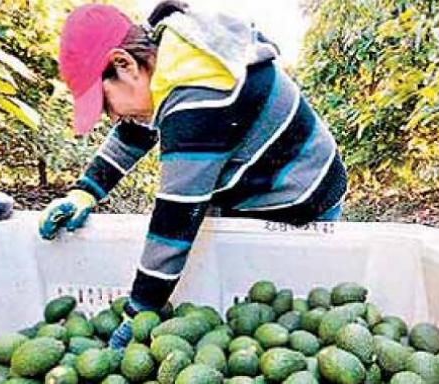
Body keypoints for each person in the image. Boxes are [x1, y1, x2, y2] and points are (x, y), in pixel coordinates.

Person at [40, 1, 347, 350]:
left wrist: (137, 314)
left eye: (106, 103)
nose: (111, 117)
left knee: (281, 315)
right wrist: (85, 191)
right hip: (257, 185)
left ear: (124, 64)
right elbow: (135, 131)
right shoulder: (174, 56)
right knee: (243, 314)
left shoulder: (200, 97)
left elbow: (174, 224)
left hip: (299, 196)